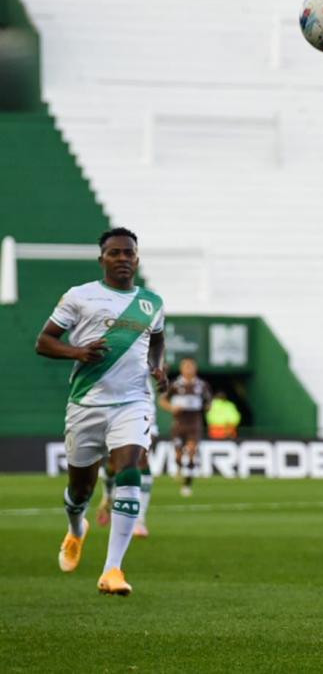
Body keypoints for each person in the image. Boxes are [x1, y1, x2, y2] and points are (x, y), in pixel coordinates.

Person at [35, 227, 167, 596]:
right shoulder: (80, 297)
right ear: (102, 259)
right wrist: (77, 352)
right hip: (86, 405)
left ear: (137, 259)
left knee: (129, 469)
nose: (123, 258)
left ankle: (112, 570)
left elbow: (157, 339)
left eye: (129, 253)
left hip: (132, 402)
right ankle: (77, 528)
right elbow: (44, 342)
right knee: (81, 490)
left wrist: (159, 367)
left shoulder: (152, 302)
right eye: (115, 253)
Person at [162, 357, 211, 497]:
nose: (189, 369)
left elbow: (208, 402)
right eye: (186, 366)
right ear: (182, 369)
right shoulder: (175, 385)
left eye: (191, 366)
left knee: (191, 451)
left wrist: (204, 407)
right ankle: (178, 466)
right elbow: (163, 401)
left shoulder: (202, 385)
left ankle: (187, 484)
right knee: (178, 453)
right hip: (179, 423)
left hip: (194, 423)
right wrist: (172, 408)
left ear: (195, 368)